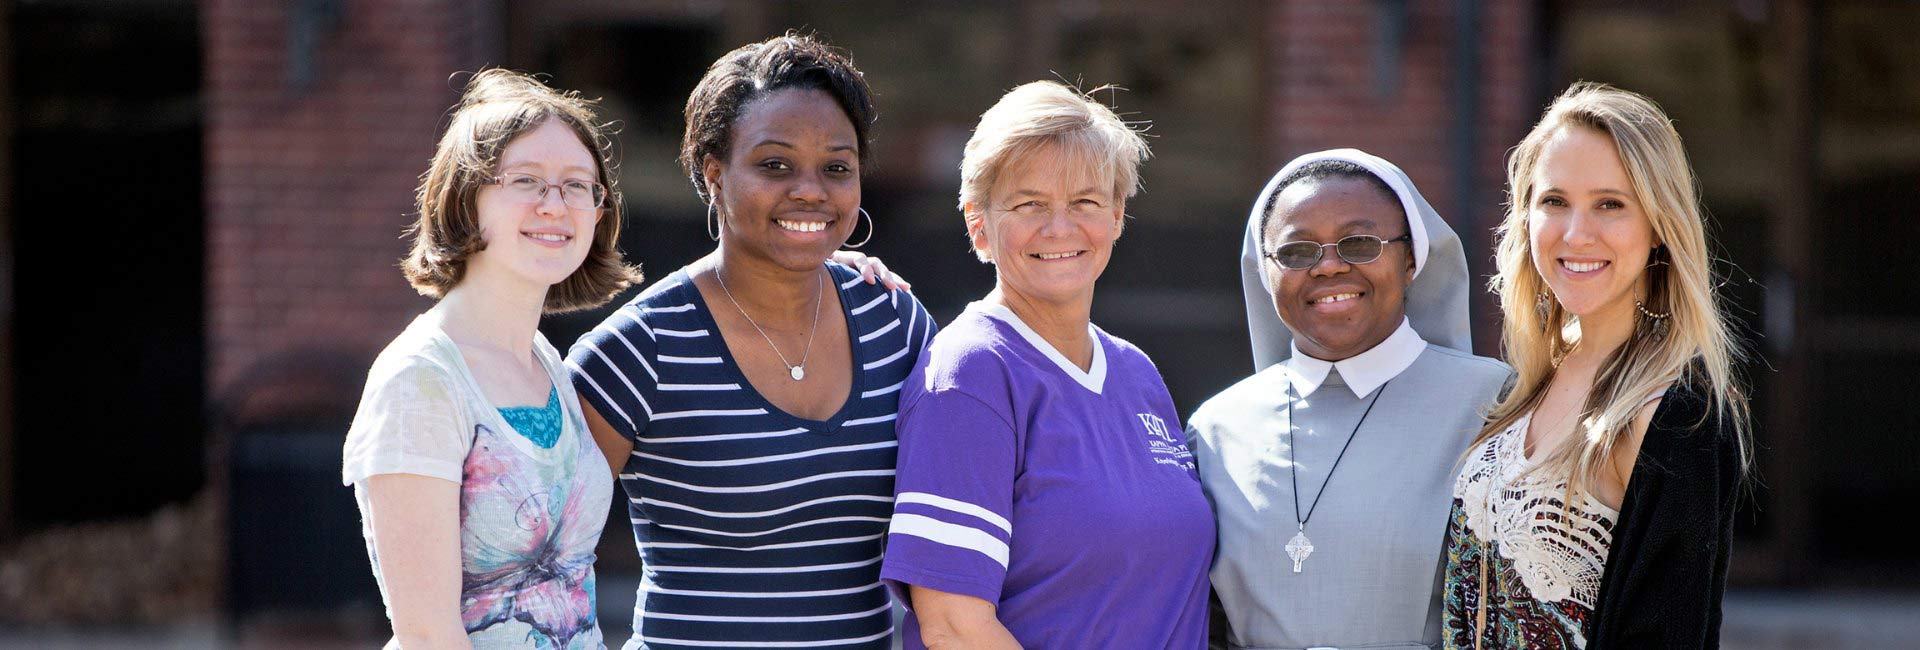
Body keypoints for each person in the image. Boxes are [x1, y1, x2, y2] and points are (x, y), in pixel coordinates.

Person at [566, 34, 935, 649]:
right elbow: (534, 557)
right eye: (775, 165)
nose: (811, 190)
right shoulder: (639, 350)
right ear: (714, 173)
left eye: (836, 168)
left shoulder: (893, 321)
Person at [878, 80, 1213, 649]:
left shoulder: (1137, 374)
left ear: (1116, 217)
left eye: (1084, 201)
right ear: (978, 225)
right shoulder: (969, 375)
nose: (1060, 228)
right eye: (1029, 203)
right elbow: (955, 630)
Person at [1442, 82, 1752, 649]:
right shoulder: (1523, 387)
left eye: (1610, 204)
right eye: (1554, 201)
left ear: (1659, 226)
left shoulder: (1676, 417)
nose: (1576, 233)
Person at [341, 69, 641, 649]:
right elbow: (428, 634)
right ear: (465, 197)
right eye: (527, 180)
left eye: (578, 185)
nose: (555, 205)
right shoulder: (419, 380)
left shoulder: (547, 363)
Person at [1185, 149, 1510, 649]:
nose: (1329, 268)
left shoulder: (1493, 404)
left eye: (1359, 244)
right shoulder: (1217, 429)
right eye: (1297, 252)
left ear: (1409, 258)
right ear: (1265, 272)